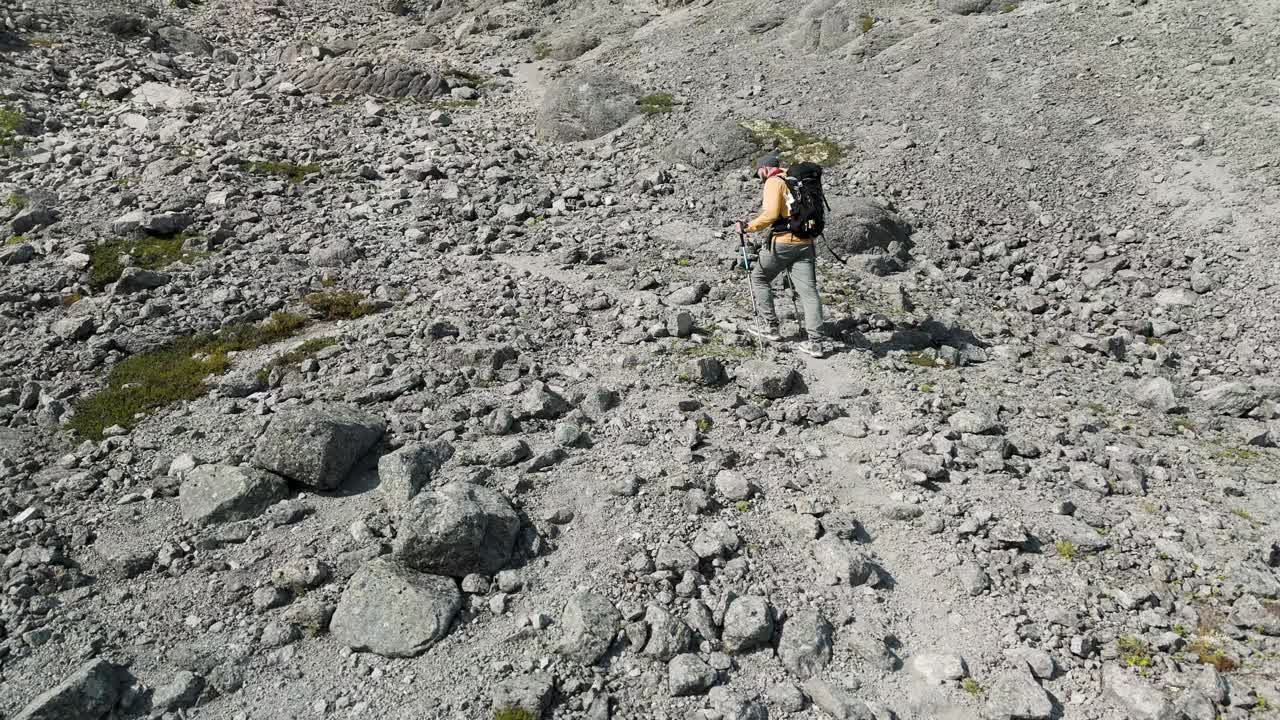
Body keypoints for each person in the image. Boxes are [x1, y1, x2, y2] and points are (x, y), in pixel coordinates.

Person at [734, 153, 832, 358]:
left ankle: (771, 327)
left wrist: (748, 227)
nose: (758, 176)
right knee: (809, 292)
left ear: (765, 168)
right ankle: (816, 342)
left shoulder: (773, 182)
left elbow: (770, 214)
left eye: (759, 172)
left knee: (759, 278)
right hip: (806, 243)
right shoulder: (796, 181)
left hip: (783, 243)